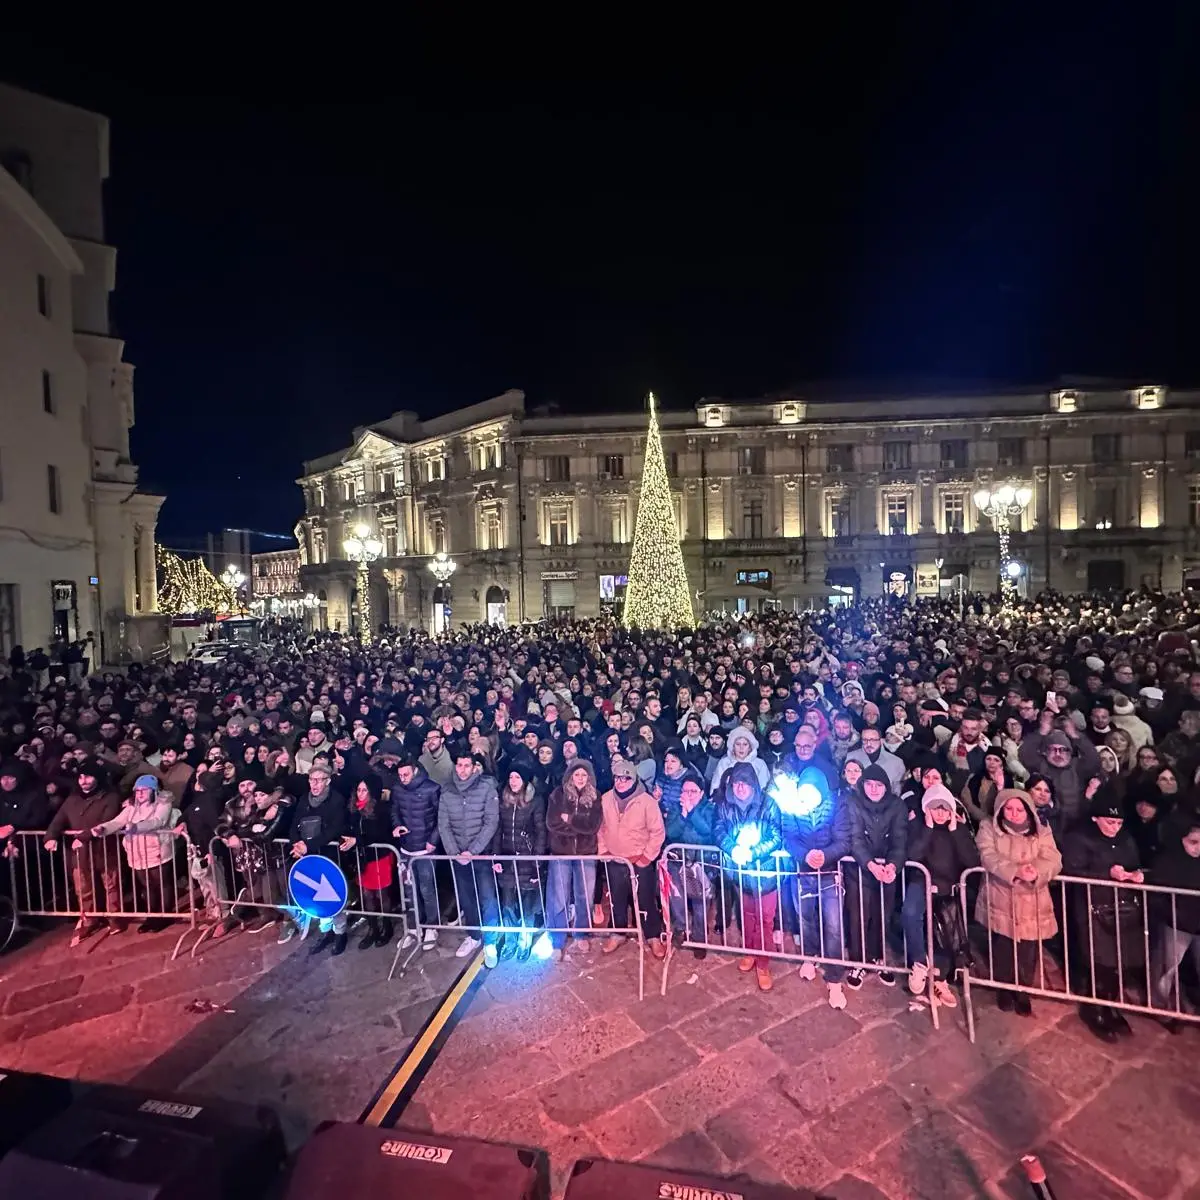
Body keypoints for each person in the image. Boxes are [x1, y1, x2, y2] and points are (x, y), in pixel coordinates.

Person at [1061, 788, 1147, 1042]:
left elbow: (1132, 862)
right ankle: (1093, 1009)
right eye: (1110, 822)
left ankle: (1110, 1005)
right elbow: (1073, 871)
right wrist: (1106, 874)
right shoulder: (1078, 837)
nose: (1115, 828)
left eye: (1119, 823)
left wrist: (1136, 875)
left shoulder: (1125, 838)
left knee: (1117, 961)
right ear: (1095, 818)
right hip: (1091, 907)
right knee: (1097, 960)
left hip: (1120, 908)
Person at [975, 787, 1062, 1016]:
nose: (1014, 814)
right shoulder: (988, 828)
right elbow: (988, 855)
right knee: (1002, 947)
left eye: (1019, 809)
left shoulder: (1041, 830)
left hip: (1032, 900)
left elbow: (1053, 858)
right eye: (1009, 809)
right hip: (1001, 896)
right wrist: (1014, 871)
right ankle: (1004, 988)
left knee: (1028, 950)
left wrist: (1037, 871)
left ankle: (1023, 989)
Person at [772, 760, 852, 1009]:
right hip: (803, 873)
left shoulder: (836, 806)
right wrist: (804, 855)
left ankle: (835, 976)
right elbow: (788, 836)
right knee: (805, 918)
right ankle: (810, 956)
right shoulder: (792, 808)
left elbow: (843, 840)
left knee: (834, 925)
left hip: (829, 874)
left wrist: (824, 855)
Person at [903, 783, 980, 1007]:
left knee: (948, 930)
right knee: (910, 913)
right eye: (935, 808)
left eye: (944, 809)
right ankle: (919, 962)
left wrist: (956, 830)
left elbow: (971, 861)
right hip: (922, 881)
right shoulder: (919, 826)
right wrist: (926, 829)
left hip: (947, 885)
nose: (940, 813)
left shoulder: (959, 830)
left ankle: (941, 978)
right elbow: (912, 855)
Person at [713, 761, 783, 991]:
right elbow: (719, 829)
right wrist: (733, 849)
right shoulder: (725, 806)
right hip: (740, 873)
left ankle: (763, 962)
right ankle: (751, 951)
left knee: (765, 916)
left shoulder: (768, 804)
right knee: (747, 914)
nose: (740, 788)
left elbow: (775, 835)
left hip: (765, 872)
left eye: (744, 783)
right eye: (736, 783)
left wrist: (752, 853)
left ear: (753, 784)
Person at [44, 759, 123, 945]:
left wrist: (83, 837)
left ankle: (115, 918)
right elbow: (58, 820)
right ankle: (89, 919)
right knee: (83, 889)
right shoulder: (72, 799)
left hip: (104, 849)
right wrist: (50, 837)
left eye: (87, 776)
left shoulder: (110, 797)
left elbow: (107, 820)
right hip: (80, 853)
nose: (83, 780)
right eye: (80, 777)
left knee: (111, 885)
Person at [88, 774, 181, 933]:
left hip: (156, 849)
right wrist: (102, 828)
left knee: (161, 883)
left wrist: (136, 827)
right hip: (137, 852)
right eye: (138, 790)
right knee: (146, 885)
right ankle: (152, 915)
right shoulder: (131, 807)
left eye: (144, 790)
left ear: (153, 791)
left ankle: (166, 914)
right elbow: (118, 821)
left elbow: (158, 821)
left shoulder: (163, 804)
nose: (140, 794)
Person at [438, 745, 501, 967]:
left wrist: (473, 851)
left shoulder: (486, 787)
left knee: (488, 898)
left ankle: (491, 941)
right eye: (460, 765)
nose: (463, 770)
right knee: (466, 897)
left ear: (475, 767)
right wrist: (455, 853)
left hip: (480, 854)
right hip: (458, 856)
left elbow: (491, 821)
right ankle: (474, 935)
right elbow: (443, 825)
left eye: (467, 765)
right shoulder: (447, 791)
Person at [845, 763, 907, 987]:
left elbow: (900, 840)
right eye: (869, 784)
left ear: (886, 787)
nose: (873, 789)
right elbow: (855, 838)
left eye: (878, 785)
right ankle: (858, 960)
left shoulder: (897, 806)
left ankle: (878, 956)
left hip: (886, 869)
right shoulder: (853, 803)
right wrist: (870, 864)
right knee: (858, 914)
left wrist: (892, 866)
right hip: (859, 868)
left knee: (883, 914)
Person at [598, 756, 666, 957]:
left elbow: (657, 832)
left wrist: (646, 857)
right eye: (617, 778)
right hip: (614, 860)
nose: (620, 782)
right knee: (616, 899)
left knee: (645, 899)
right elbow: (600, 828)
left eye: (625, 779)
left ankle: (653, 935)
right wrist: (603, 851)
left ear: (634, 780)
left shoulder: (647, 802)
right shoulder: (605, 799)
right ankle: (618, 932)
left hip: (639, 861)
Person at [545, 759, 604, 957]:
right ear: (570, 776)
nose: (580, 778)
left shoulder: (596, 797)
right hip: (561, 852)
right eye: (576, 774)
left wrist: (569, 820)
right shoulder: (558, 795)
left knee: (584, 896)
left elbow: (592, 826)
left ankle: (581, 933)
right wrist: (579, 828)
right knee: (559, 897)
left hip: (586, 853)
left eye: (584, 775)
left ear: (589, 777)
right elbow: (552, 823)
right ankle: (557, 938)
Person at [287, 763, 348, 953]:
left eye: (319, 780)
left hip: (328, 856)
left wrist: (308, 845)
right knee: (317, 897)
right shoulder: (304, 800)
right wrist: (296, 843)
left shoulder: (336, 800)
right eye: (312, 780)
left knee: (333, 895)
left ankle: (340, 932)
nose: (314, 784)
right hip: (308, 856)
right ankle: (326, 930)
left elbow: (334, 829)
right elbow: (294, 824)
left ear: (328, 781)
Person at [387, 750, 442, 950]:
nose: (402, 779)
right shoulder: (398, 789)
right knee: (409, 889)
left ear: (416, 771)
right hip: (405, 847)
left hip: (425, 849)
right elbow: (394, 810)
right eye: (400, 775)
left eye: (406, 775)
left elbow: (440, 818)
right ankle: (412, 927)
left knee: (427, 889)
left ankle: (431, 926)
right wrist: (396, 825)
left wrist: (432, 841)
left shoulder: (432, 789)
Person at [659, 769, 715, 956]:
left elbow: (707, 832)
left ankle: (700, 938)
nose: (688, 795)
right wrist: (683, 815)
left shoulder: (709, 809)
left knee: (699, 903)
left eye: (692, 792)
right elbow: (671, 832)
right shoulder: (676, 808)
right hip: (677, 861)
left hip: (699, 863)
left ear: (701, 793)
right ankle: (680, 929)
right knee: (677, 898)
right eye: (685, 791)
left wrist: (692, 814)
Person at [494, 763, 547, 960]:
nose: (513, 781)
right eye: (511, 777)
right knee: (507, 904)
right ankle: (510, 941)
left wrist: (537, 863)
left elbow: (541, 831)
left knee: (527, 906)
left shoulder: (535, 801)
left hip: (527, 858)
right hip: (508, 858)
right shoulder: (504, 801)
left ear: (525, 781)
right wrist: (496, 855)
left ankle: (524, 942)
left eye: (517, 777)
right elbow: (498, 829)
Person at [343, 774, 397, 950]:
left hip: (378, 857)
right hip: (362, 858)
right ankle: (373, 928)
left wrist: (357, 840)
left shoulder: (380, 810)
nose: (360, 793)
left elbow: (378, 833)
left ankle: (387, 926)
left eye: (364, 790)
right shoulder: (353, 810)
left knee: (382, 895)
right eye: (358, 790)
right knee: (366, 894)